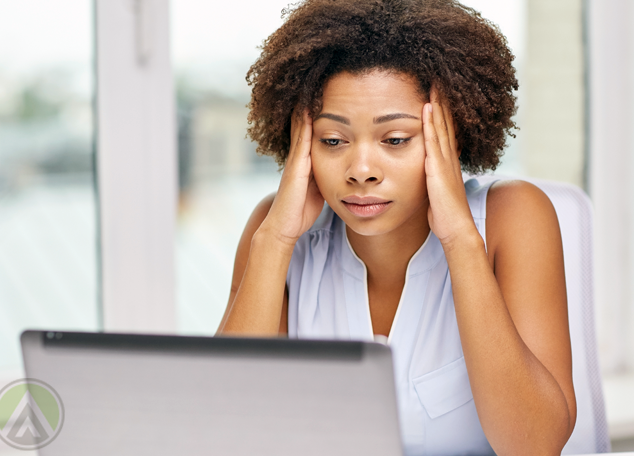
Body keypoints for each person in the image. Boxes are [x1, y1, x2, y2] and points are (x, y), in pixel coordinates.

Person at [217, 0, 577, 454]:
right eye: (332, 140)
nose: (362, 169)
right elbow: (224, 432)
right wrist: (274, 241)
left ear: (452, 134)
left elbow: (536, 445)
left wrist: (460, 239)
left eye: (395, 140)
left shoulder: (513, 217)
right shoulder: (276, 234)